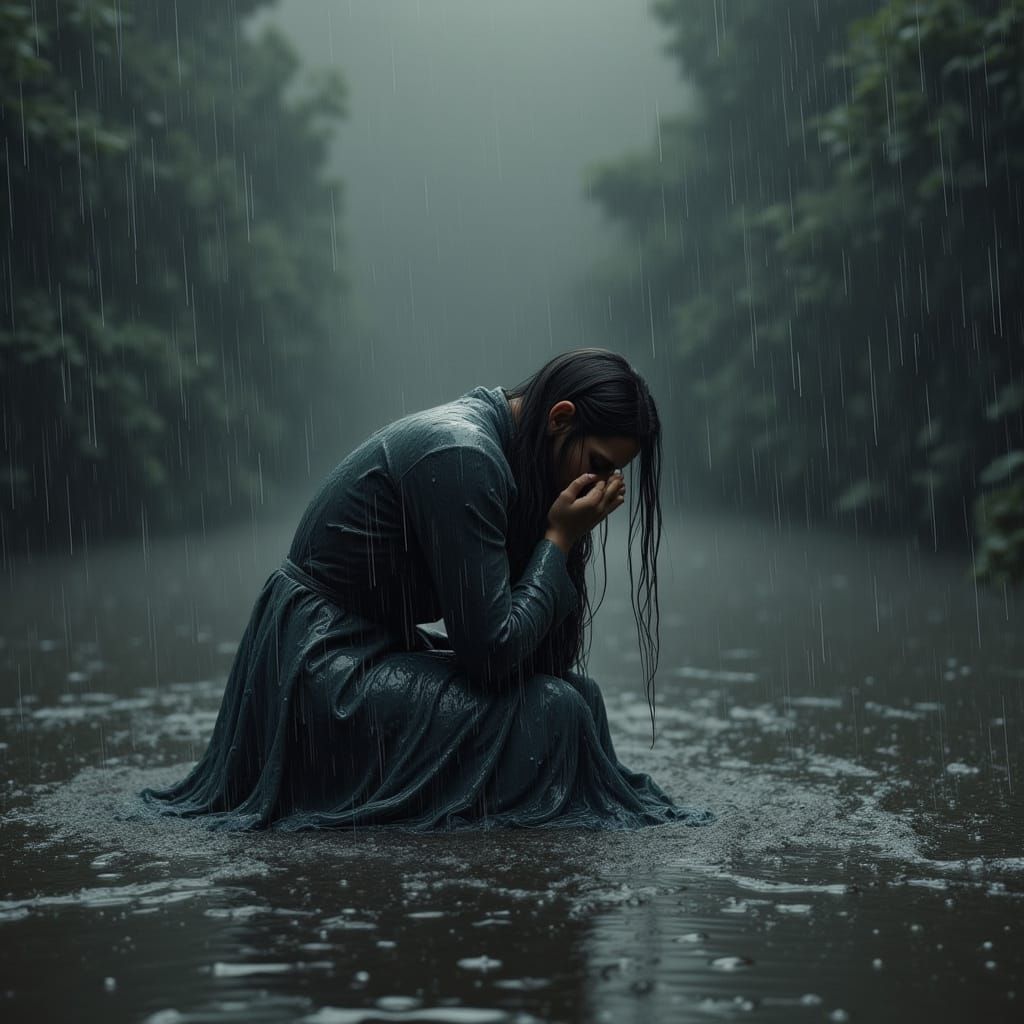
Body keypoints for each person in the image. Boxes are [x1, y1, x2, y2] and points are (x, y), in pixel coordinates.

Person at [141, 348, 711, 831]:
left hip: (368, 646)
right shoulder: (464, 457)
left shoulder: (517, 456)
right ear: (559, 419)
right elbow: (491, 658)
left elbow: (542, 661)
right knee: (554, 714)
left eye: (614, 477)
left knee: (578, 698)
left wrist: (562, 536)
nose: (601, 487)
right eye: (597, 464)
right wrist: (559, 540)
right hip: (319, 667)